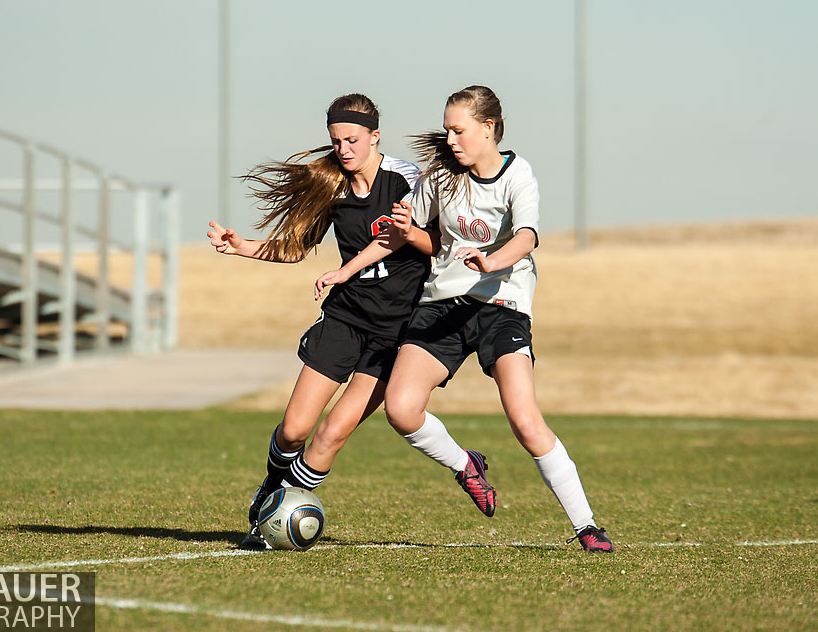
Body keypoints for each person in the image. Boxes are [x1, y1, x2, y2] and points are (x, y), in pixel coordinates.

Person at [317, 85, 614, 552]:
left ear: (489, 128)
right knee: (401, 409)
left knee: (524, 419)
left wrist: (495, 263)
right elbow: (397, 235)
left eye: (459, 130)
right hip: (443, 306)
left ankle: (586, 525)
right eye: (448, 130)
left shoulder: (519, 174)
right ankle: (465, 465)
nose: (450, 139)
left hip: (501, 307)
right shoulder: (438, 179)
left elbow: (528, 237)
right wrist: (345, 270)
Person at [208, 93, 497, 550]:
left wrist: (410, 235)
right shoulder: (332, 187)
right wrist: (241, 245)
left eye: (352, 139)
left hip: (397, 332)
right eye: (336, 140)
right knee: (295, 429)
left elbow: (438, 243)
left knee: (330, 435)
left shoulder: (407, 180)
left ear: (374, 136)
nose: (343, 149)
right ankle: (270, 489)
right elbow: (297, 248)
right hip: (345, 318)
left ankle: (274, 520)